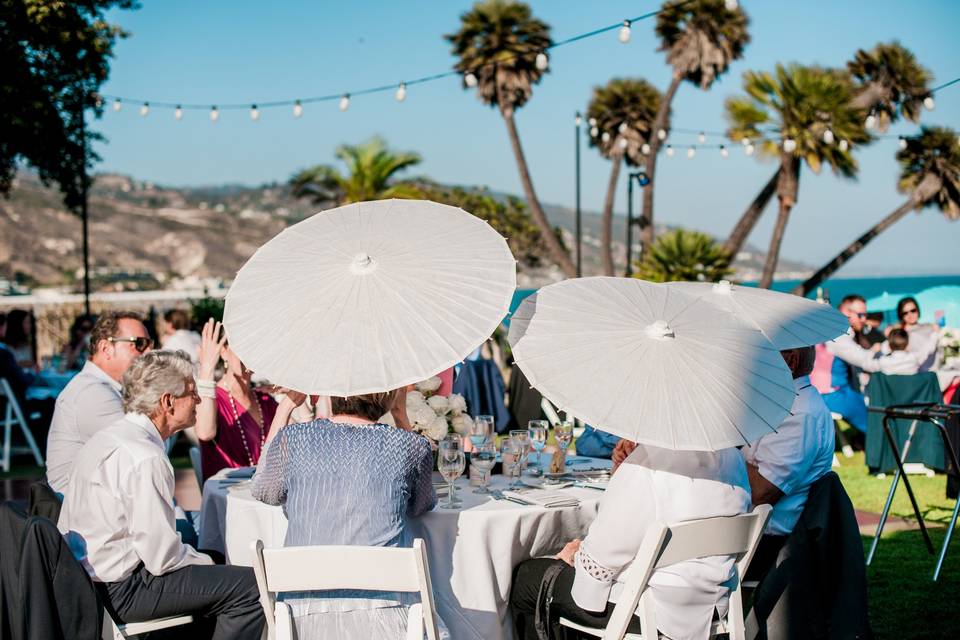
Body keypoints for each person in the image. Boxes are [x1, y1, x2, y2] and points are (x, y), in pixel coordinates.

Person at [57, 350, 264, 640]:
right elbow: (162, 558)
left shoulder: (110, 436)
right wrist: (213, 564)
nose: (199, 399)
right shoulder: (145, 457)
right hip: (119, 587)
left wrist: (209, 562)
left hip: (86, 580)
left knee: (214, 567)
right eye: (192, 392)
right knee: (252, 587)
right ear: (167, 402)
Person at [251, 388, 439, 639]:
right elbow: (421, 504)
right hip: (387, 616)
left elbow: (264, 490)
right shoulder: (409, 444)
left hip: (303, 613)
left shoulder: (294, 438)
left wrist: (285, 408)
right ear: (387, 394)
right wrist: (400, 414)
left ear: (334, 391)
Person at [511, 444, 751, 640]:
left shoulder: (648, 462)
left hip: (654, 608)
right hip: (713, 600)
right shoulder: (732, 457)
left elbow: (603, 557)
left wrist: (577, 554)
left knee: (526, 578)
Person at [740, 346, 835, 576]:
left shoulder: (802, 413)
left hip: (765, 541)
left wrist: (723, 451)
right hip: (748, 527)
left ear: (790, 360)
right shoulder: (783, 402)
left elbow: (762, 492)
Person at [45, 311, 153, 494]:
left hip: (103, 505)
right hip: (85, 515)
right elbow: (147, 450)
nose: (149, 352)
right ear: (106, 348)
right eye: (139, 344)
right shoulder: (92, 393)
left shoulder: (105, 388)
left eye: (150, 344)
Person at [194, 320, 278, 482]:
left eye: (252, 348)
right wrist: (207, 368)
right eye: (240, 347)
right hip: (227, 496)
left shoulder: (266, 401)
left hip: (264, 494)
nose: (246, 355)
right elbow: (205, 432)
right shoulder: (211, 397)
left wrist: (292, 394)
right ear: (224, 351)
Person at [822, 295, 882, 433]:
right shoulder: (838, 336)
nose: (864, 319)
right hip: (833, 394)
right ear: (846, 313)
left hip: (831, 392)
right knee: (876, 424)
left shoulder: (830, 329)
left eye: (865, 315)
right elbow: (866, 362)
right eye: (860, 315)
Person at [892, 296, 940, 372]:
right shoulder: (900, 333)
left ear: (918, 310)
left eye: (913, 310)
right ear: (901, 315)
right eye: (905, 313)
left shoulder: (929, 327)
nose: (910, 315)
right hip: (917, 374)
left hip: (935, 369)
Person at [0, 311, 35, 405]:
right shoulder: (4, 351)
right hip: (14, 399)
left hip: (15, 396)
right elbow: (22, 378)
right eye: (27, 322)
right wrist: (32, 374)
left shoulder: (26, 345)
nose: (30, 325)